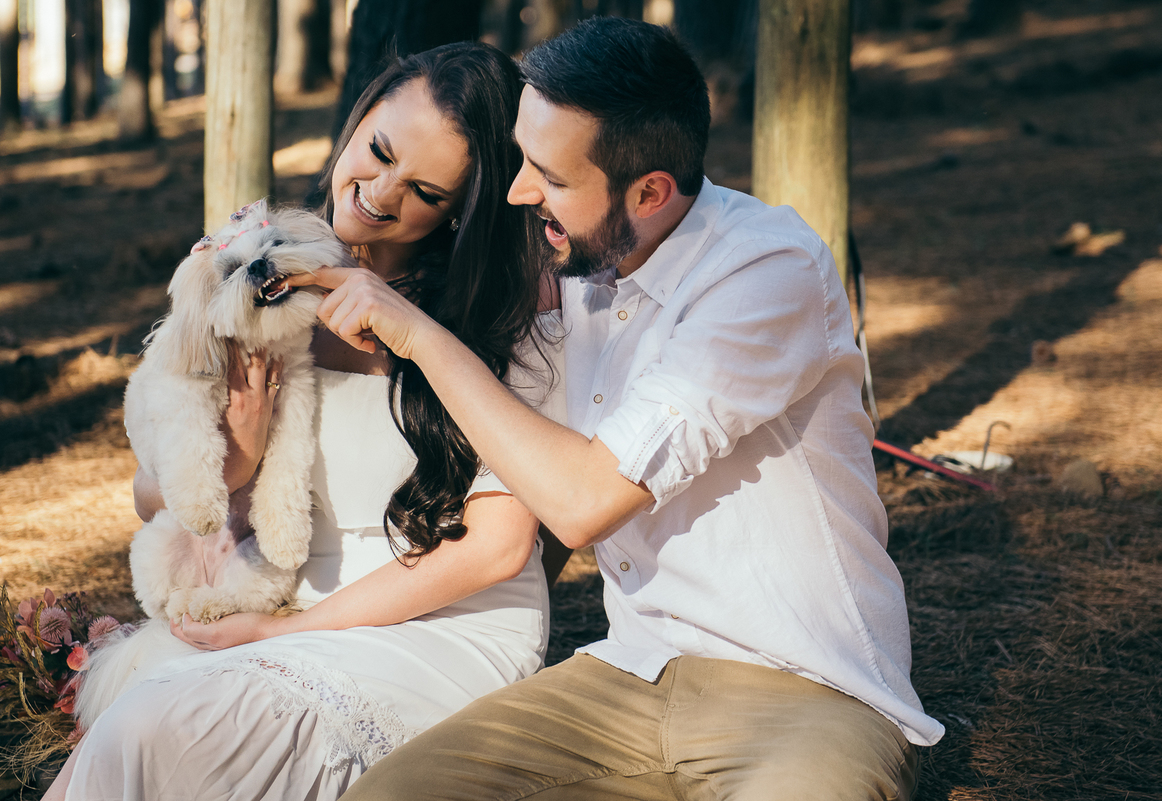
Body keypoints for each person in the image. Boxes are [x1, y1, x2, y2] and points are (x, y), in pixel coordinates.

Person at [302, 17, 946, 801]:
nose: (518, 191)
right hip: (620, 678)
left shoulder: (764, 270)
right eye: (522, 159)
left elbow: (581, 503)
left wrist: (420, 337)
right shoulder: (573, 271)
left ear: (649, 192)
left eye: (551, 176)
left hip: (808, 692)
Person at [47, 42, 558, 801]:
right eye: (377, 152)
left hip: (439, 627)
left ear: (461, 213)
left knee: (157, 727)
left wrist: (284, 635)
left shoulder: (505, 310)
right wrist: (238, 465)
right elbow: (151, 492)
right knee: (148, 720)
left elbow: (498, 546)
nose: (380, 193)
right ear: (357, 118)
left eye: (423, 190)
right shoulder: (262, 271)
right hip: (285, 600)